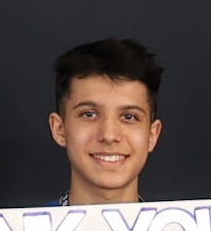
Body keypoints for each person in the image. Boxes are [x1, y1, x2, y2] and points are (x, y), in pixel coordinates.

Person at [46, 38, 171, 208]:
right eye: (89, 114)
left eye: (129, 117)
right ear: (59, 129)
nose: (109, 135)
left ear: (152, 135)